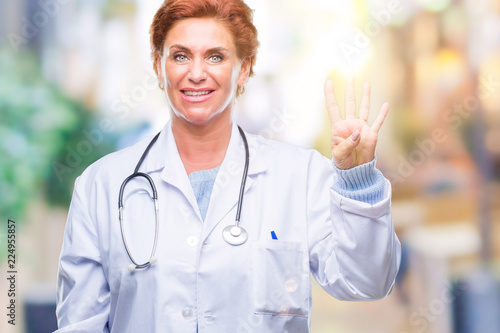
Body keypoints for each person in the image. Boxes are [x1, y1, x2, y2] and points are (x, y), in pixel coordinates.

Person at [55, 0, 401, 332]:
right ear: (159, 67)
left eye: (215, 57)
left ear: (244, 69)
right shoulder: (102, 186)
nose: (196, 73)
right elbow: (79, 324)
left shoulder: (300, 176)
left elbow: (367, 282)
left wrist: (358, 181)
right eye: (180, 56)